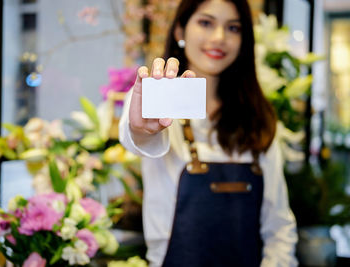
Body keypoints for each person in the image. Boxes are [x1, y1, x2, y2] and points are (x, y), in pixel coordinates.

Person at [119, 0, 298, 266]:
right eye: (206, 23)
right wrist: (143, 129)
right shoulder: (154, 103)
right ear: (180, 31)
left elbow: (279, 225)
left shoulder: (258, 117)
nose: (219, 38)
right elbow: (140, 138)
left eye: (233, 28)